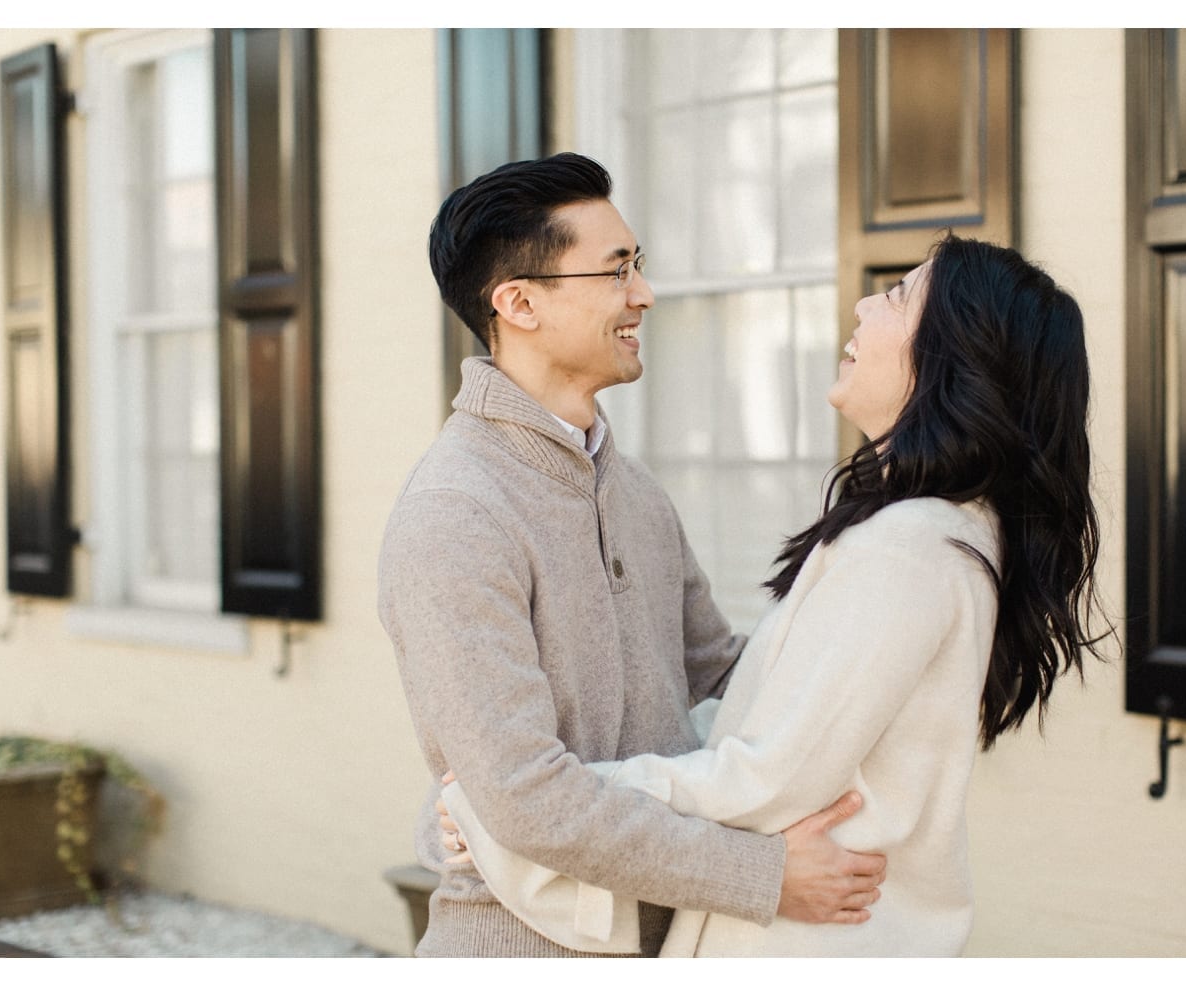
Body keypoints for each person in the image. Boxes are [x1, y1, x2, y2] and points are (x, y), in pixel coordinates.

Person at [435, 232, 1107, 956]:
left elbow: (763, 775)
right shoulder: (938, 537)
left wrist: (514, 812)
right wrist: (522, 801)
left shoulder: (909, 549)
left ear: (956, 355)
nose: (864, 304)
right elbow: (757, 712)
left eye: (900, 295)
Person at [377, 152, 888, 958]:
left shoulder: (636, 493)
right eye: (616, 271)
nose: (643, 294)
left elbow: (726, 682)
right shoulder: (455, 514)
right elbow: (525, 797)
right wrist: (764, 875)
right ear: (518, 303)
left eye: (638, 266)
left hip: (679, 945)